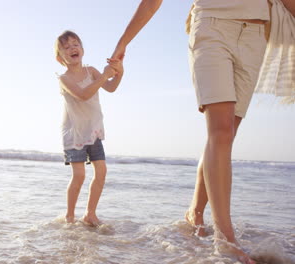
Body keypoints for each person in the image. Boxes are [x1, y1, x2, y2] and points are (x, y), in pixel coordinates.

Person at [109, 0, 293, 263]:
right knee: (221, 132)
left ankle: (195, 212)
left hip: (255, 35)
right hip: (211, 28)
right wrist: (122, 43)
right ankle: (226, 239)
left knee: (225, 134)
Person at [55, 30, 124, 226]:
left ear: (82, 50)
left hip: (93, 131)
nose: (72, 48)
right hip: (75, 133)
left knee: (101, 172)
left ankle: (90, 214)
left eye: (75, 44)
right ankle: (70, 216)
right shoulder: (64, 78)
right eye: (66, 47)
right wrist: (104, 76)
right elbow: (83, 94)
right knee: (79, 175)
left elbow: (110, 87)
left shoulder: (91, 71)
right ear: (60, 57)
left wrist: (119, 72)